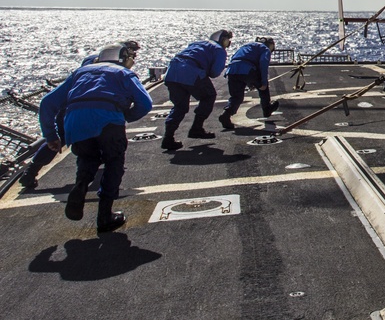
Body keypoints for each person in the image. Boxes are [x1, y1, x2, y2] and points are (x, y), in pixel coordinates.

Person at [37, 42, 153, 232]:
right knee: (114, 162)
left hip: (75, 121)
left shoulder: (81, 72)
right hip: (107, 120)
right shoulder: (124, 73)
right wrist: (126, 116)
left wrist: (51, 135)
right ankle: (105, 216)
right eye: (130, 57)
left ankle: (81, 185)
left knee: (87, 158)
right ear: (122, 58)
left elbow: (47, 103)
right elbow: (145, 103)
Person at [20, 41, 141, 189]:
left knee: (61, 138)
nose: (134, 57)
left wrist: (50, 135)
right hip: (85, 109)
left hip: (72, 109)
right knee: (95, 140)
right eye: (132, 53)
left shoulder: (94, 60)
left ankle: (30, 172)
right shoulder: (108, 66)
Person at [161, 30, 232, 150]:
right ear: (221, 39)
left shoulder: (196, 43)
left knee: (179, 106)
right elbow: (215, 73)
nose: (228, 43)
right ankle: (196, 128)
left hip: (172, 71)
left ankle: (168, 138)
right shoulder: (219, 49)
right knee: (209, 96)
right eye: (227, 40)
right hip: (191, 71)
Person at [219, 37, 279, 129]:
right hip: (247, 69)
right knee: (263, 88)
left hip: (232, 70)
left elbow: (236, 58)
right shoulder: (265, 49)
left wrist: (250, 82)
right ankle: (267, 109)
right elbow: (263, 64)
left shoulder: (247, 46)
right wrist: (263, 82)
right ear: (271, 45)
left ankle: (226, 114)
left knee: (236, 97)